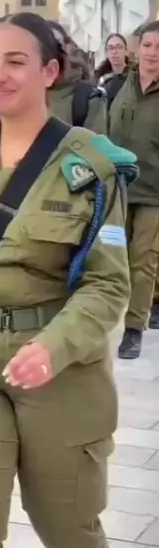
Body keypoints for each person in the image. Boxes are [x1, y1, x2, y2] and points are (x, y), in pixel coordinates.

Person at [0, 11, 135, 548]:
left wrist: (53, 347)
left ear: (49, 72)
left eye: (16, 62)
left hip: (59, 371)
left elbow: (108, 285)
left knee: (68, 532)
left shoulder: (90, 166)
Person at [109, 20, 159, 359]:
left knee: (143, 261)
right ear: (137, 48)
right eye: (148, 45)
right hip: (117, 188)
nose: (153, 53)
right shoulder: (116, 86)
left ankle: (134, 329)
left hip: (154, 194)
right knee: (111, 257)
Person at [46, 21, 107, 132]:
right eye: (45, 45)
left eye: (57, 44)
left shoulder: (89, 97)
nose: (52, 51)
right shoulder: (27, 94)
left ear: (68, 48)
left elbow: (95, 142)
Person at [95, 33, 130, 108]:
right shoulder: (100, 78)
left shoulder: (134, 75)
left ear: (126, 50)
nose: (114, 51)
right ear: (106, 53)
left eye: (119, 47)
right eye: (110, 48)